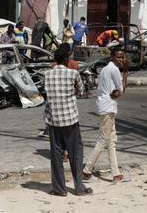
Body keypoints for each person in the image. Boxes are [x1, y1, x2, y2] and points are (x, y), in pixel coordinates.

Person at [43, 47, 92, 196]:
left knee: (56, 155)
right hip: (70, 119)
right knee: (76, 153)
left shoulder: (47, 74)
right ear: (66, 60)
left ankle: (59, 189)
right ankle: (79, 187)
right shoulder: (73, 73)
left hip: (53, 120)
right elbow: (82, 92)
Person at [83, 48, 128, 183]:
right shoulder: (114, 69)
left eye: (122, 57)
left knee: (112, 140)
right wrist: (126, 72)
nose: (121, 60)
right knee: (103, 140)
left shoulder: (105, 69)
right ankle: (87, 170)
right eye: (119, 57)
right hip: (108, 107)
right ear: (112, 57)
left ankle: (115, 173)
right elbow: (121, 90)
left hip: (106, 106)